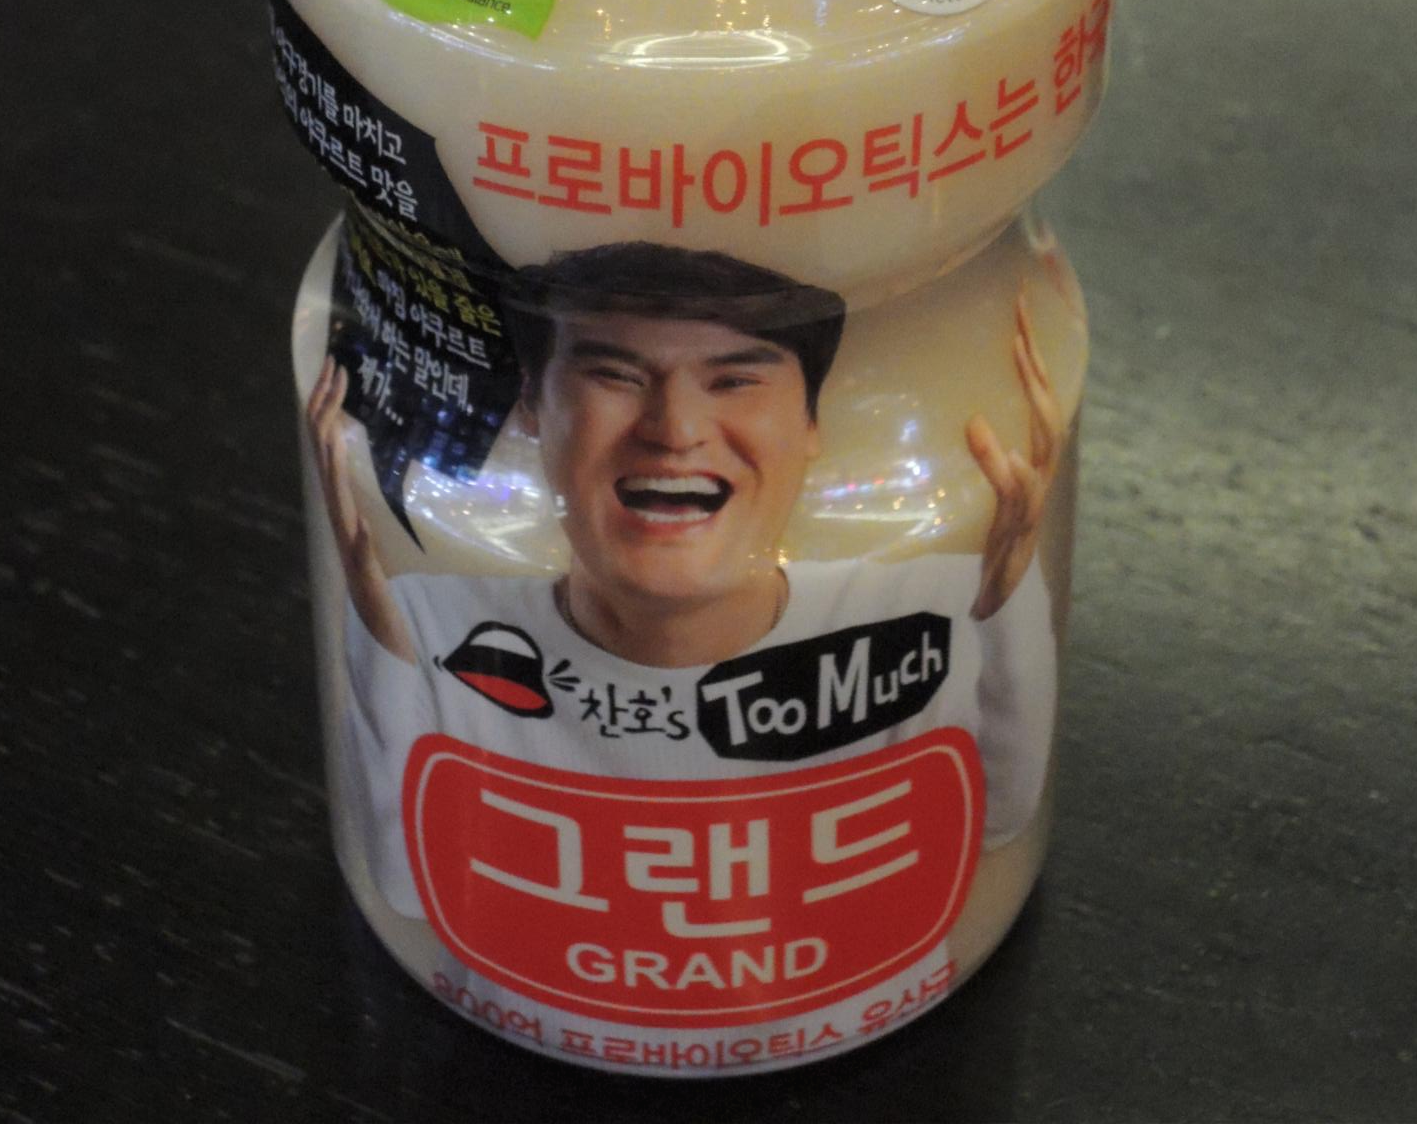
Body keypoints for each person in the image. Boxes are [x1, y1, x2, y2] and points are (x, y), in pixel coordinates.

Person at [307, 242, 1063, 919]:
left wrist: (1007, 604)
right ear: (530, 403)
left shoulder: (931, 607)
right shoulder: (434, 627)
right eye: (613, 375)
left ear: (812, 423)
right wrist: (377, 631)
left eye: (734, 381)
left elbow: (997, 820)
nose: (674, 430)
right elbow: (411, 885)